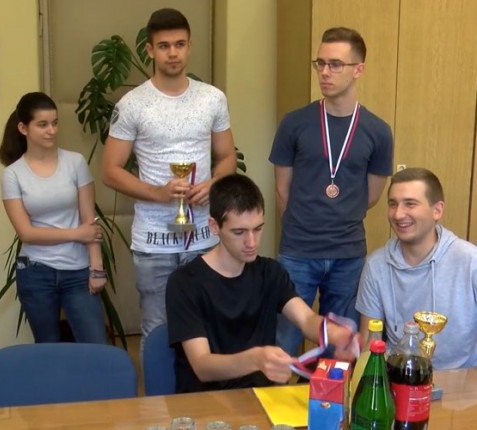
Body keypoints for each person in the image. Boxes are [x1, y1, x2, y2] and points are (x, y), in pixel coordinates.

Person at [102, 8, 236, 341]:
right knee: (158, 331)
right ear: (150, 50)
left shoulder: (212, 99)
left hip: (204, 237)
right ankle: (159, 381)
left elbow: (227, 157)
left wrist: (213, 184)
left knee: (207, 328)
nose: (172, 53)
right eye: (164, 46)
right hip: (154, 241)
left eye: (179, 44)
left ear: (190, 46)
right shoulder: (132, 104)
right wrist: (159, 193)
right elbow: (110, 171)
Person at [166, 174, 359, 393]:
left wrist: (333, 332)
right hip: (205, 401)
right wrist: (256, 359)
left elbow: (306, 319)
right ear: (214, 226)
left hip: (262, 397)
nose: (251, 242)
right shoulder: (185, 282)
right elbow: (202, 366)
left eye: (258, 229)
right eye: (239, 232)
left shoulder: (270, 272)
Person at [269, 27, 393, 356]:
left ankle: (328, 392)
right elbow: (282, 190)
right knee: (284, 342)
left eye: (335, 64)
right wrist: (306, 226)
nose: (324, 72)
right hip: (298, 251)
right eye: (320, 63)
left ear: (358, 69)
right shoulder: (294, 123)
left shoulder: (378, 131)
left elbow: (371, 196)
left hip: (347, 254)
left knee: (340, 347)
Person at [0, 92, 107, 344]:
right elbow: (27, 233)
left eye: (55, 123)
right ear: (23, 128)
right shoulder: (13, 175)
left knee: (95, 345)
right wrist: (76, 234)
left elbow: (89, 220)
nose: (51, 131)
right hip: (36, 272)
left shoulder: (75, 163)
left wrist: (97, 268)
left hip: (78, 271)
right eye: (42, 124)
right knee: (47, 347)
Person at [356, 167, 477, 369]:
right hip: (398, 377)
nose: (398, 214)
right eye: (393, 204)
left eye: (410, 204)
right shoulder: (376, 265)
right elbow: (369, 342)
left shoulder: (471, 261)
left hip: (463, 380)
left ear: (437, 210)